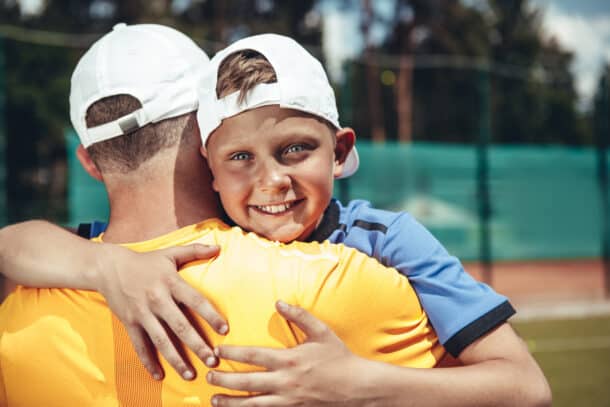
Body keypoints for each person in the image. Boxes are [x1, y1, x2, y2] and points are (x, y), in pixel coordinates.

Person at [0, 26, 552, 406]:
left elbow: (524, 385)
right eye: (241, 157)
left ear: (88, 162)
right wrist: (106, 267)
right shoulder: (345, 282)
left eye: (294, 149)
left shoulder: (24, 300)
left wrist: (102, 266)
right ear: (206, 142)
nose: (271, 183)